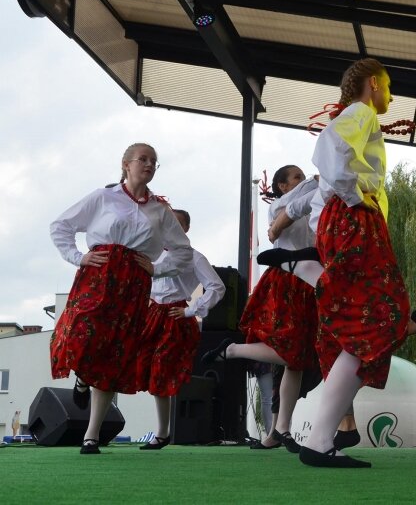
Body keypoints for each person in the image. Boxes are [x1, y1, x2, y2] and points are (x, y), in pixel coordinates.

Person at [283, 58, 416, 469]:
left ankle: (305, 270)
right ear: (374, 85)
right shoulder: (360, 113)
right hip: (356, 218)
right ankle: (306, 271)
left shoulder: (355, 115)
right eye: (390, 87)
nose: (392, 96)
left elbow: (329, 168)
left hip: (346, 221)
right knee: (378, 321)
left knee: (365, 329)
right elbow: (330, 152)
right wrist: (359, 198)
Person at [50, 143, 192, 454]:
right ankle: (82, 378)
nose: (149, 164)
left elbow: (183, 252)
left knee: (114, 352)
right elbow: (61, 226)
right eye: (143, 159)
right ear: (125, 164)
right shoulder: (104, 197)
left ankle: (91, 435)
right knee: (78, 331)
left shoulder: (160, 210)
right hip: (98, 274)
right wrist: (78, 257)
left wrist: (156, 269)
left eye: (154, 161)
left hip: (133, 284)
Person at [202, 165, 321, 453]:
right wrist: (318, 179)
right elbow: (302, 199)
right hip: (286, 281)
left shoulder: (310, 203)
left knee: (299, 360)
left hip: (310, 283)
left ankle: (280, 430)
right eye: (295, 177)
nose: (302, 180)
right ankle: (233, 350)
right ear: (281, 186)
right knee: (290, 351)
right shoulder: (280, 206)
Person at [136, 208, 226, 450]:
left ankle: (164, 432)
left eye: (176, 224)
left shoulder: (194, 257)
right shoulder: (151, 254)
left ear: (185, 230)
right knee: (143, 366)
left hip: (175, 316)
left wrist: (190, 310)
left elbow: (217, 287)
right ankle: (162, 432)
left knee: (161, 370)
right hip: (152, 314)